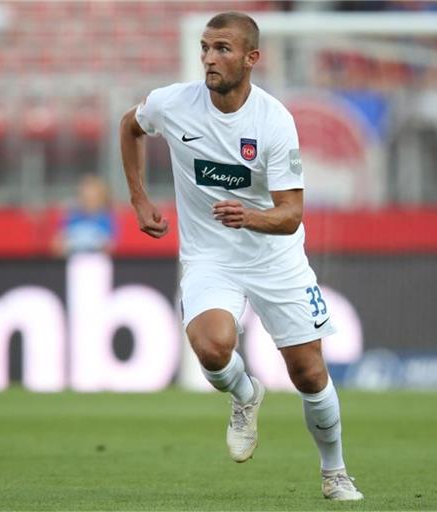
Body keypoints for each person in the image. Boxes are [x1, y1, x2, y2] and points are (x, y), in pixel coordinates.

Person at [119, 11, 363, 501]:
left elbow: (291, 213)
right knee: (212, 346)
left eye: (223, 49)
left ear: (251, 58)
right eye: (206, 47)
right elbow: (130, 126)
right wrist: (140, 199)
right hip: (211, 257)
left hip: (276, 259)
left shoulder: (274, 121)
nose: (210, 57)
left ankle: (335, 472)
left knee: (309, 372)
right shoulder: (173, 104)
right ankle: (245, 394)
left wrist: (249, 216)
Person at [51, 173, 116, 256]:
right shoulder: (71, 219)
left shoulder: (107, 221)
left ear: (101, 198)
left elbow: (111, 248)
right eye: (85, 197)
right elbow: (56, 246)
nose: (89, 201)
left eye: (93, 197)